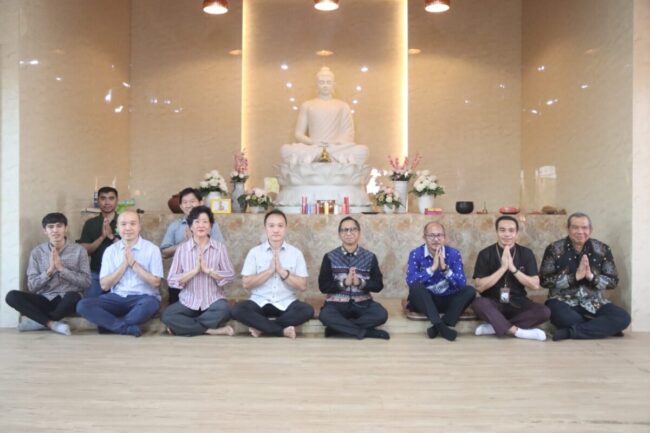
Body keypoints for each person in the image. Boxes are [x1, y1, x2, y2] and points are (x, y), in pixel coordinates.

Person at [540, 212, 631, 340]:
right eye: (575, 227)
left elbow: (613, 281)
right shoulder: (553, 249)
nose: (580, 231)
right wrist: (574, 277)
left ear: (590, 230)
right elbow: (544, 280)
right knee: (559, 315)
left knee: (623, 318)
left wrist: (592, 277)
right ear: (568, 229)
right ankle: (601, 328)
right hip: (562, 301)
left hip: (595, 303)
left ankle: (569, 332)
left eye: (584, 228)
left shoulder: (603, 249)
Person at [76, 210, 163, 337]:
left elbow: (156, 282)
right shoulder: (110, 251)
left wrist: (133, 264)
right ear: (117, 227)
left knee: (150, 305)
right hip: (116, 298)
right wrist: (124, 265)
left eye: (132, 224)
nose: (128, 228)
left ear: (139, 226)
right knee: (83, 305)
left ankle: (109, 325)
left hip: (143, 298)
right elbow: (104, 285)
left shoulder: (152, 249)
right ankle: (124, 327)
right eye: (123, 224)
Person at [231, 209, 314, 339]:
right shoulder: (255, 252)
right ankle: (281, 331)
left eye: (280, 226)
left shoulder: (296, 253)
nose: (276, 230)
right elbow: (246, 284)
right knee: (237, 309)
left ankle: (262, 328)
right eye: (271, 226)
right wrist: (269, 271)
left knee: (307, 310)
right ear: (265, 228)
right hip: (259, 301)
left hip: (287, 302)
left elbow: (302, 286)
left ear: (286, 228)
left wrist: (282, 272)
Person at [5, 213, 90, 336]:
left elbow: (86, 282)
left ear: (65, 228)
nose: (55, 230)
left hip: (68, 299)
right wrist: (50, 271)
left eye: (59, 226)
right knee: (12, 296)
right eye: (50, 227)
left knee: (74, 296)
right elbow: (32, 286)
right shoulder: (37, 252)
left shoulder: (79, 250)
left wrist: (62, 269)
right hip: (45, 298)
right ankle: (51, 323)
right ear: (45, 230)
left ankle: (39, 322)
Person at [471, 215, 550, 341]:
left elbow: (535, 285)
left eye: (511, 230)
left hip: (518, 302)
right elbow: (479, 287)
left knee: (544, 312)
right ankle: (517, 332)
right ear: (496, 232)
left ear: (517, 233)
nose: (507, 234)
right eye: (502, 230)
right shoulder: (485, 253)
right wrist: (503, 268)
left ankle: (496, 326)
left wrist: (513, 268)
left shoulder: (526, 253)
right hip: (493, 302)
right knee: (478, 303)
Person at [161, 206, 235, 336]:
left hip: (213, 301)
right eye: (197, 222)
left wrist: (209, 271)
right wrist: (193, 272)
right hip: (188, 302)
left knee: (226, 309)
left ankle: (185, 327)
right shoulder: (182, 249)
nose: (201, 225)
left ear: (210, 226)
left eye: (205, 222)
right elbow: (172, 279)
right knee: (167, 315)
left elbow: (230, 275)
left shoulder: (219, 248)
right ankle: (210, 330)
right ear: (190, 226)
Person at [317, 217, 389, 340]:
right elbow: (323, 287)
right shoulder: (329, 257)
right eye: (345, 230)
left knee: (381, 314)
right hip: (336, 304)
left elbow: (378, 285)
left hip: (363, 303)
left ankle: (338, 328)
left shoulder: (370, 257)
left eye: (353, 229)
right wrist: (344, 283)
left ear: (359, 233)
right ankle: (367, 333)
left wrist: (360, 282)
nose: (349, 233)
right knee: (325, 315)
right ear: (339, 234)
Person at [280, 66, 368, 165]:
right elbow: (298, 134)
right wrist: (312, 142)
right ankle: (325, 157)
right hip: (314, 147)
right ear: (316, 85)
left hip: (335, 148)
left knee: (362, 150)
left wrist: (335, 143)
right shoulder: (307, 105)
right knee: (286, 150)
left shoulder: (343, 106)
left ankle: (318, 158)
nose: (325, 85)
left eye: (328, 82)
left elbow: (348, 134)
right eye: (322, 82)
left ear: (334, 85)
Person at [406, 222, 476, 341]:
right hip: (426, 301)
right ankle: (442, 327)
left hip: (448, 300)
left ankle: (438, 327)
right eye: (431, 236)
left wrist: (445, 269)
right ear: (424, 237)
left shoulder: (453, 254)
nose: (436, 239)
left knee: (470, 291)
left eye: (439, 235)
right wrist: (432, 269)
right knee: (416, 288)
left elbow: (461, 283)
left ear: (445, 237)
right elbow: (410, 281)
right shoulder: (416, 254)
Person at [160, 187, 226, 304]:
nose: (189, 205)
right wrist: (187, 243)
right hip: (182, 278)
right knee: (176, 311)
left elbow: (220, 250)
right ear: (181, 206)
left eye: (192, 201)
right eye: (185, 202)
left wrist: (200, 240)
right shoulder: (175, 226)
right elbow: (164, 253)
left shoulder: (212, 225)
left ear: (200, 203)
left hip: (207, 277)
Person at [79, 186, 120, 298]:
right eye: (103, 198)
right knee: (89, 304)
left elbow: (131, 249)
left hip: (121, 273)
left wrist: (111, 236)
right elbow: (84, 251)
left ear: (117, 200)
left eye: (111, 198)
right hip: (96, 273)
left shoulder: (124, 221)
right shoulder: (90, 223)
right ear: (98, 201)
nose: (107, 202)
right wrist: (102, 237)